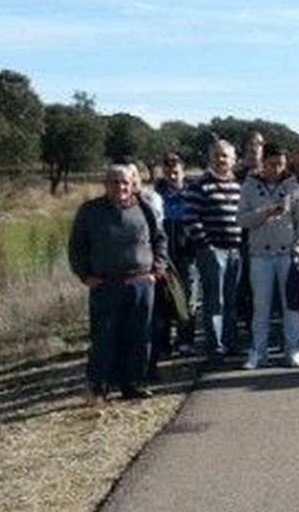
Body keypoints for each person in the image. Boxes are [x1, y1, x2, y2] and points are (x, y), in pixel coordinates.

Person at [69, 164, 170, 403]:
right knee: (103, 337)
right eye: (115, 182)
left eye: (125, 182)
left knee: (139, 336)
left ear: (131, 184)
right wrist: (85, 275)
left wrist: (157, 270)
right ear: (106, 185)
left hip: (141, 284)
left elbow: (160, 240)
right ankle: (98, 387)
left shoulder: (144, 208)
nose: (121, 187)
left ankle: (133, 383)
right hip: (106, 285)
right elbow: (76, 247)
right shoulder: (90, 211)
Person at [237, 146, 299, 369]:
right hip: (260, 255)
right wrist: (266, 212)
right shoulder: (249, 187)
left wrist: (298, 249)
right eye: (271, 164)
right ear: (263, 163)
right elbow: (241, 220)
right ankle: (258, 353)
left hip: (287, 255)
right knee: (261, 307)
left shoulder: (294, 188)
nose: (276, 169)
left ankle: (293, 350)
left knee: (291, 306)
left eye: (280, 164)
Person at [185, 140, 244, 361]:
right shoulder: (199, 185)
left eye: (225, 156)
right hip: (211, 250)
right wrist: (205, 245)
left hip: (235, 250)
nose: (221, 160)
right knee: (214, 300)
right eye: (217, 155)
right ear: (210, 158)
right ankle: (215, 347)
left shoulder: (239, 186)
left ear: (233, 159)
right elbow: (191, 218)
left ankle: (231, 342)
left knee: (231, 299)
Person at [148, 154, 194, 377]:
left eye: (176, 172)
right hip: (164, 255)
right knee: (164, 299)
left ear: (183, 171)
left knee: (186, 297)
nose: (172, 176)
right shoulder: (155, 193)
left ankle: (185, 341)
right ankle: (164, 343)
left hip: (186, 253)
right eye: (168, 172)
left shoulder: (192, 191)